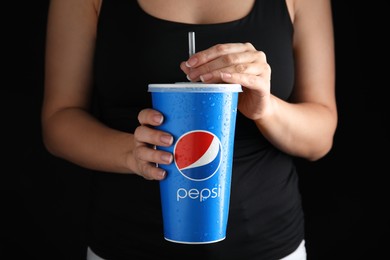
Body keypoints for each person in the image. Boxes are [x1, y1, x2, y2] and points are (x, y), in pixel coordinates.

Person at [42, 0, 337, 259]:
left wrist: (266, 109)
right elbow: (58, 121)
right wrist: (131, 154)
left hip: (269, 245)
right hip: (127, 244)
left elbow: (319, 139)